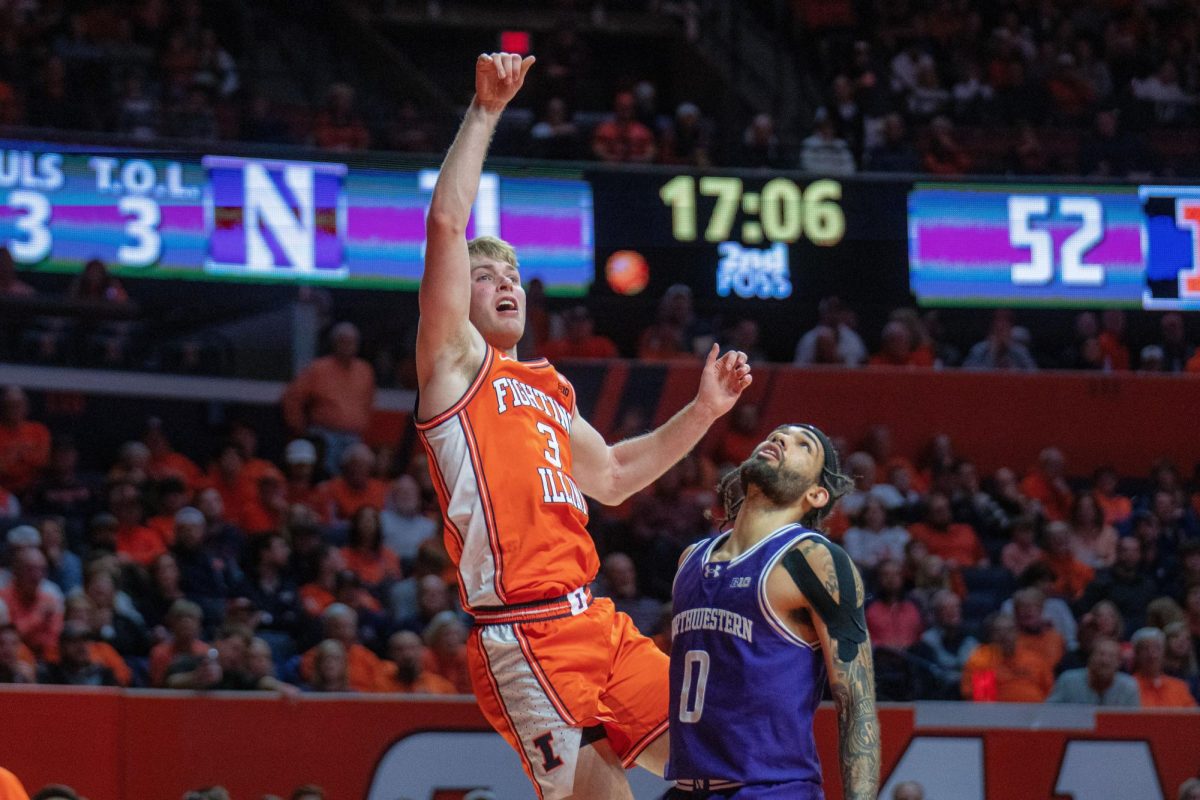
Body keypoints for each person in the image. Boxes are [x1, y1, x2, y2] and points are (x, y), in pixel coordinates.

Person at [418, 52, 753, 799]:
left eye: (511, 274)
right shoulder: (453, 367)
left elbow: (613, 477)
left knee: (728, 764)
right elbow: (446, 221)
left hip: (596, 623)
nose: (504, 282)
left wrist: (703, 412)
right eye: (484, 275)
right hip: (524, 634)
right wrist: (487, 111)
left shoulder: (548, 387)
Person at [668, 424, 878, 798]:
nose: (779, 439)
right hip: (689, 788)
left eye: (803, 445)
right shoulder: (690, 559)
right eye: (777, 434)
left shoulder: (813, 560)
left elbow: (856, 703)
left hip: (770, 788)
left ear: (816, 494)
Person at [281, 322, 376, 475]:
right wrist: (300, 431)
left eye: (351, 341)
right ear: (334, 343)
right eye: (342, 341)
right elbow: (293, 398)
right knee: (326, 475)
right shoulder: (318, 369)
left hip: (354, 437)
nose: (347, 345)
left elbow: (368, 402)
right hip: (324, 436)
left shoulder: (365, 371)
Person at [1047, 636, 1139, 706]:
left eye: (1111, 656)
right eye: (1100, 654)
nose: (1105, 661)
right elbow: (1048, 714)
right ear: (1090, 658)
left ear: (1119, 663)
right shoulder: (1068, 681)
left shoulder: (1128, 686)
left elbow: (1133, 723)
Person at [1130, 626, 1197, 708]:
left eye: (1156, 648)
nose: (1152, 655)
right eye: (1145, 649)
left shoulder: (1179, 687)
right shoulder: (1129, 687)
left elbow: (1193, 717)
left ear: (1164, 653)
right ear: (1136, 655)